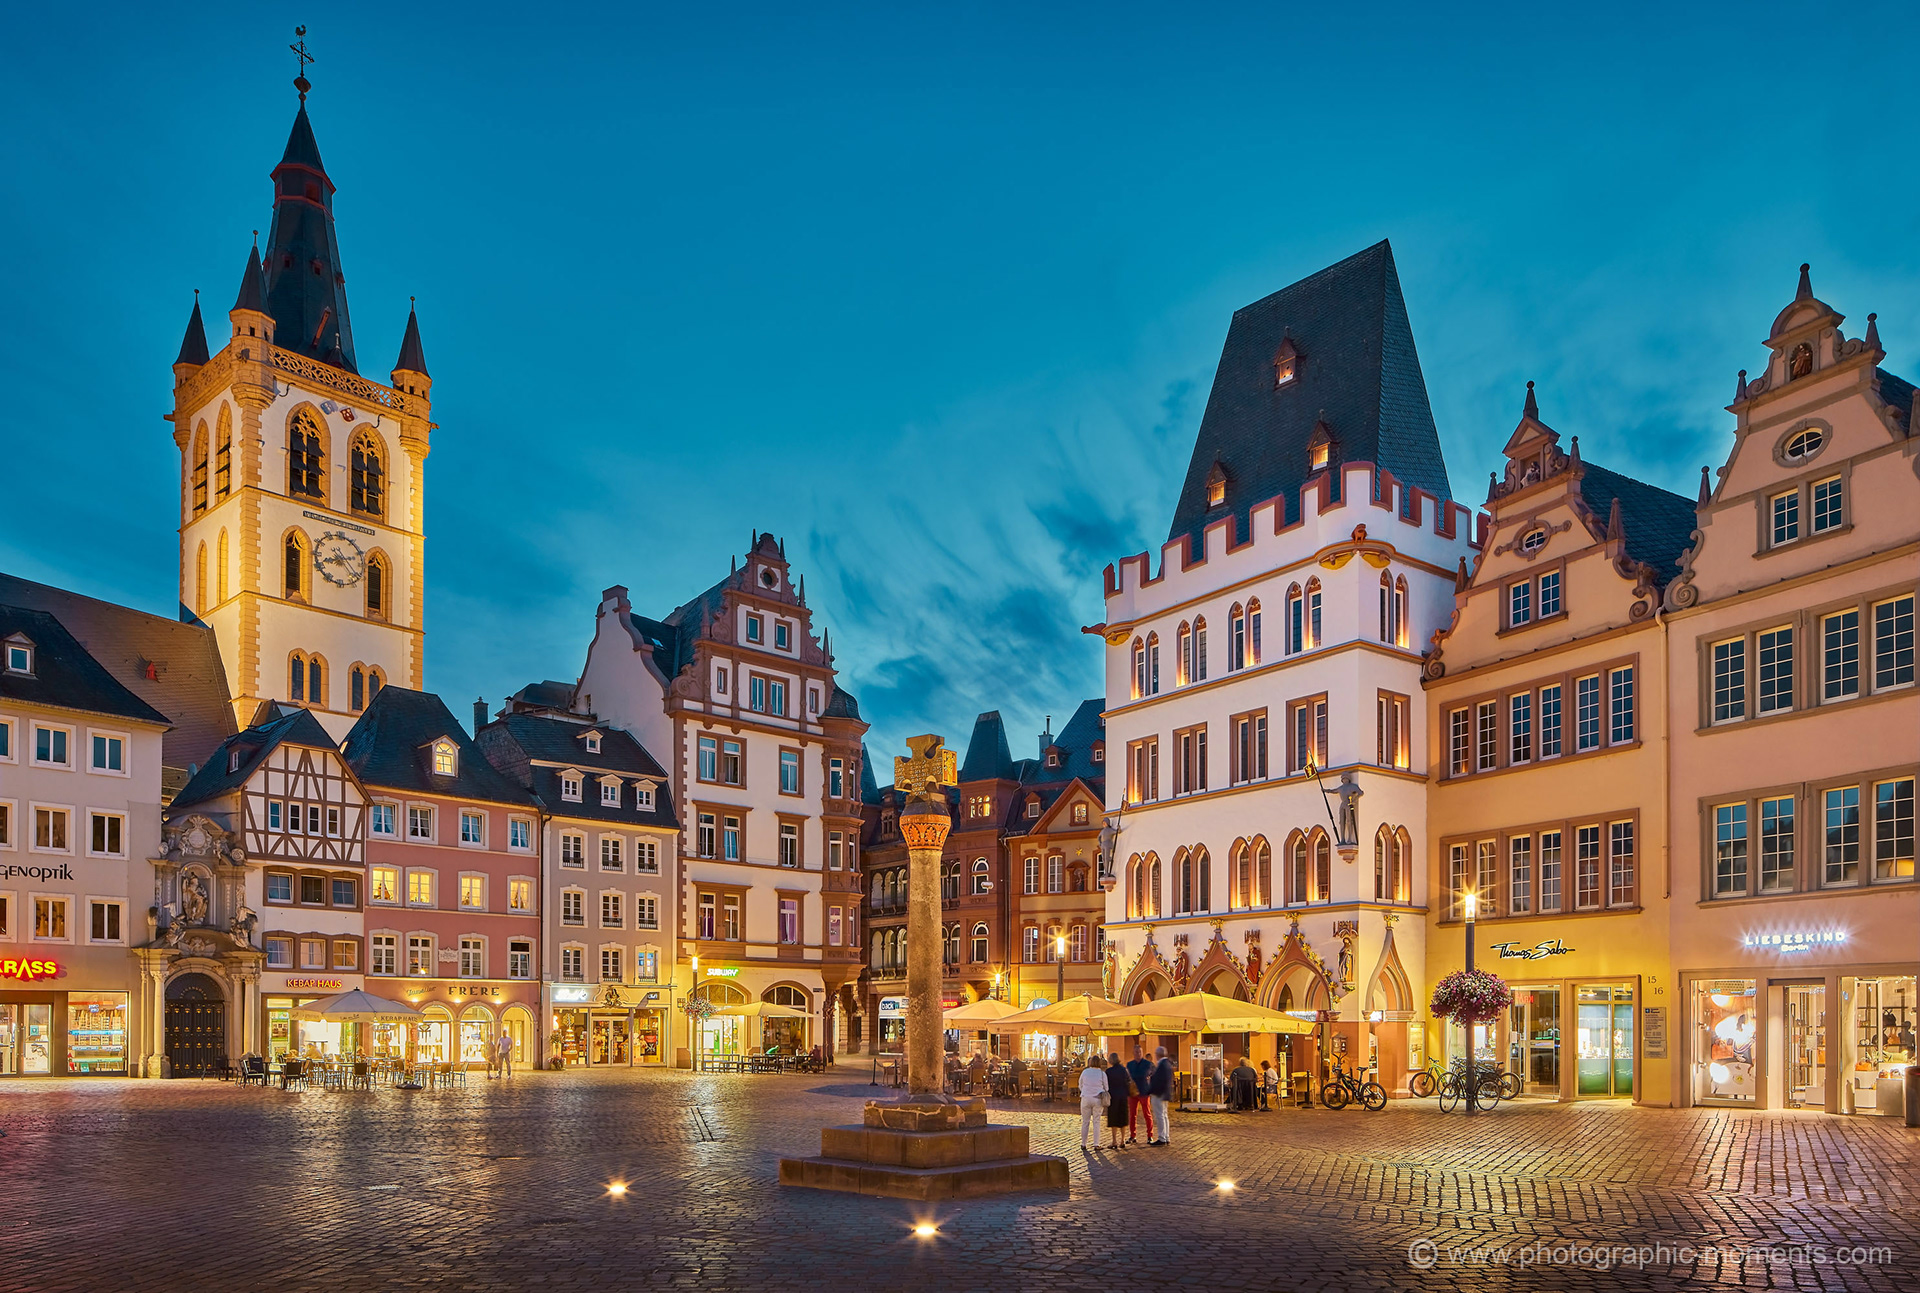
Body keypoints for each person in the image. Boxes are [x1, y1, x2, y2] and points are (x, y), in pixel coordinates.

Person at [1077, 1057, 1110, 1150]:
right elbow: (1106, 1088)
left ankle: (1083, 1143)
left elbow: (1080, 1084)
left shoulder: (1085, 1072)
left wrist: (1085, 1090)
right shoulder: (1102, 1074)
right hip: (1097, 1098)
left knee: (1085, 1121)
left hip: (1085, 1098)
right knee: (1096, 1121)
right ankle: (1096, 1143)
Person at [1125, 1045, 1155, 1144]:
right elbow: (1127, 1077)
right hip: (1133, 1092)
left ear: (1142, 1053)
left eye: (1140, 1052)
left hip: (1144, 1091)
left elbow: (1153, 1074)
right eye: (1136, 1052)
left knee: (1147, 1113)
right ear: (1133, 1053)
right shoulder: (1130, 1064)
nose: (1138, 1054)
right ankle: (1132, 1135)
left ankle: (1150, 1135)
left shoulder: (1148, 1064)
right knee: (1132, 1115)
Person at [1104, 1053, 1133, 1150]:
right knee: (1122, 1118)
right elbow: (1128, 1081)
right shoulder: (1124, 1070)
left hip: (1113, 1097)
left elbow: (1106, 1085)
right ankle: (1122, 1140)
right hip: (1123, 1096)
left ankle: (1114, 1141)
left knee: (1114, 1119)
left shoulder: (1109, 1071)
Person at [1147, 1045, 1175, 1145]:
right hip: (1164, 1093)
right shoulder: (1167, 1064)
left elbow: (1158, 1081)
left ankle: (1162, 1137)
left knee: (1160, 1116)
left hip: (1158, 1094)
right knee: (1164, 1115)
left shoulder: (1162, 1065)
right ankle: (1166, 1136)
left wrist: (1150, 1089)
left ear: (1158, 1054)